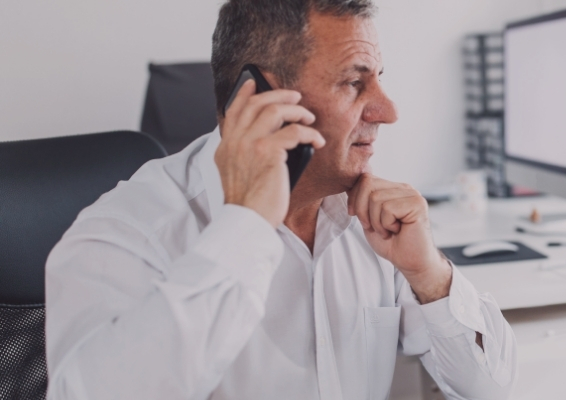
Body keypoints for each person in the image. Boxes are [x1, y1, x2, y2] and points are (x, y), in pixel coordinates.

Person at [44, 1, 517, 399]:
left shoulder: (373, 222)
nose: (387, 111)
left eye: (378, 79)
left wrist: (429, 275)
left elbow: (494, 389)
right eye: (355, 83)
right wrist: (245, 226)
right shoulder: (126, 233)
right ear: (259, 98)